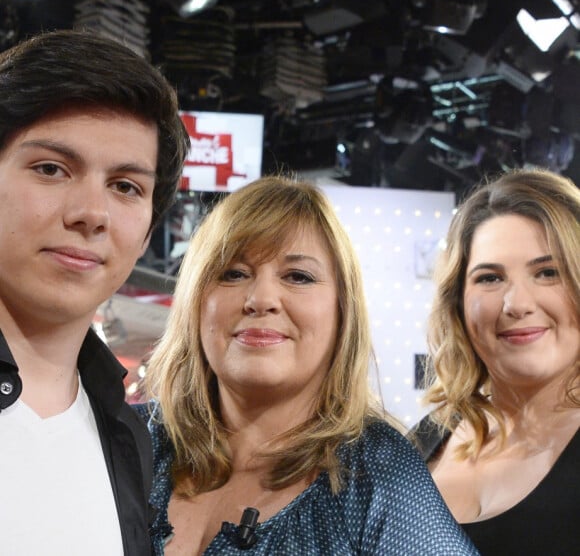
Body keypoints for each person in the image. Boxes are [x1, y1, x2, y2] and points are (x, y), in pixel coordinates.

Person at [136, 175, 478, 555]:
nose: (260, 298)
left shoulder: (378, 474)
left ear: (341, 313)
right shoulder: (131, 441)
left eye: (298, 277)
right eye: (233, 273)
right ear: (195, 301)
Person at [0, 29, 190, 555]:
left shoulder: (130, 437)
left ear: (150, 227)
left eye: (126, 186)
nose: (91, 213)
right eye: (51, 169)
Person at [412, 168, 579, 555]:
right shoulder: (427, 437)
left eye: (548, 273)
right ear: (457, 300)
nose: (516, 304)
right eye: (489, 278)